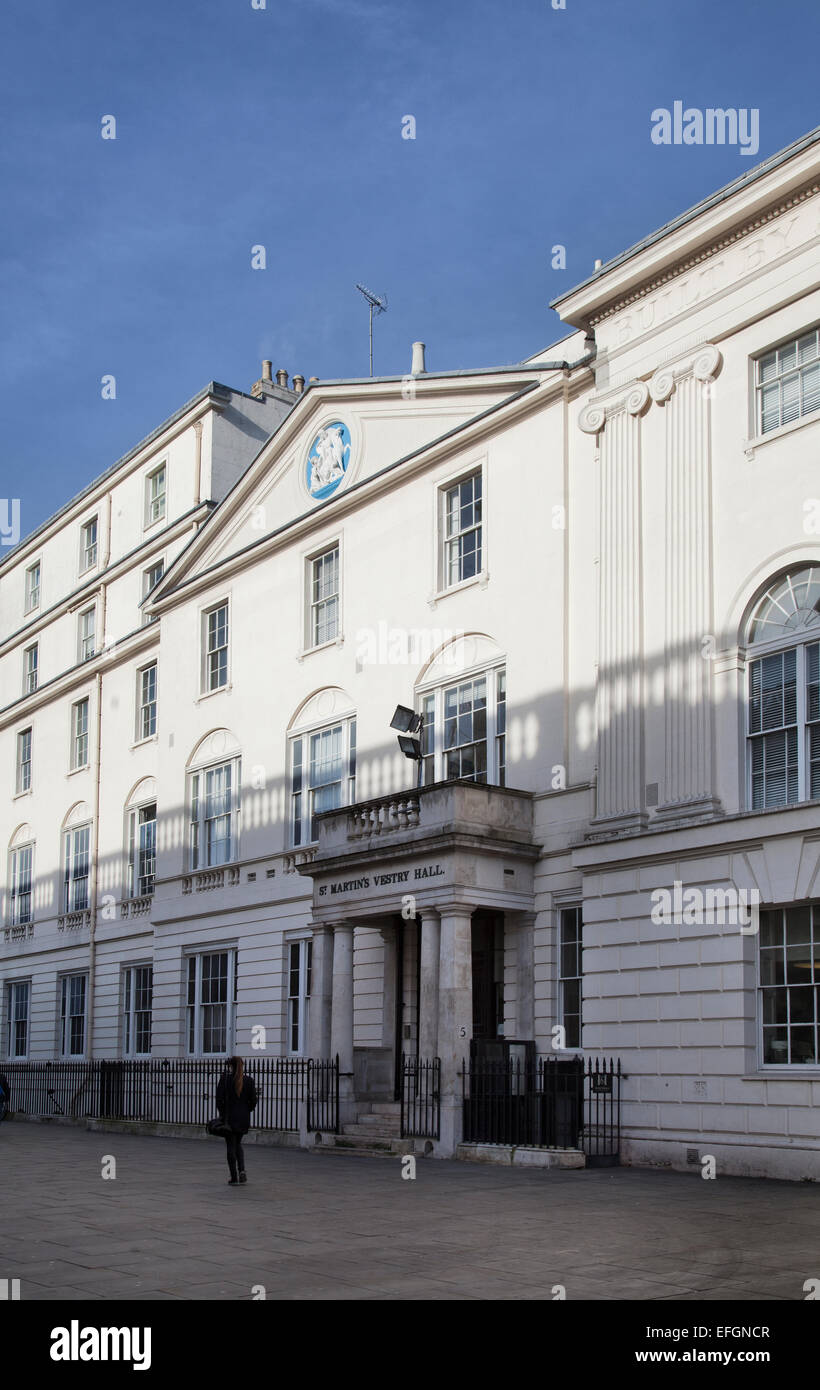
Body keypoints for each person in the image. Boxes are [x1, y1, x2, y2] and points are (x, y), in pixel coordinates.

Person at [215, 1056, 257, 1186]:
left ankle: (234, 1177)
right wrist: (246, 1111)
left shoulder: (225, 1079)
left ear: (230, 1066)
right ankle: (242, 1170)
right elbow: (253, 1102)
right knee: (238, 1143)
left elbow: (219, 1100)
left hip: (229, 1118)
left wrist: (222, 1114)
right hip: (243, 1118)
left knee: (230, 1146)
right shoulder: (249, 1081)